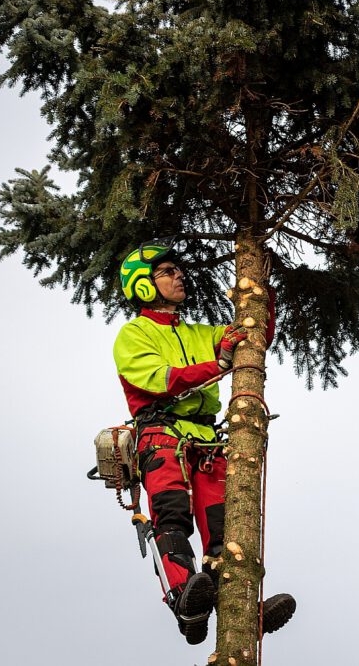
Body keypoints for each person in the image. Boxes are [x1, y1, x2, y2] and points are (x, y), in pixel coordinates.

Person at [113, 243, 295, 644]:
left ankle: (242, 608)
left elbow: (252, 335)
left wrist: (264, 291)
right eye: (167, 272)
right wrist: (219, 364)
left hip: (207, 439)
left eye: (178, 270)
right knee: (172, 516)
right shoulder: (133, 335)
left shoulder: (199, 332)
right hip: (161, 435)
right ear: (144, 286)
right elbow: (159, 379)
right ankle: (185, 602)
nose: (179, 276)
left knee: (224, 527)